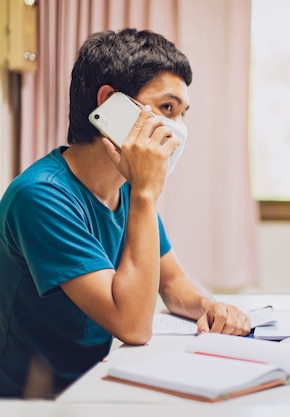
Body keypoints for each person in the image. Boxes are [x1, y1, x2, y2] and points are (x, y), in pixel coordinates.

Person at [0, 28, 251, 398]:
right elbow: (133, 325)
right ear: (110, 103)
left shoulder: (126, 187)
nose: (178, 130)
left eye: (182, 115)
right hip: (39, 400)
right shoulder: (41, 196)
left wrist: (211, 306)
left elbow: (173, 283)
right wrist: (148, 193)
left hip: (99, 378)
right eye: (167, 109)